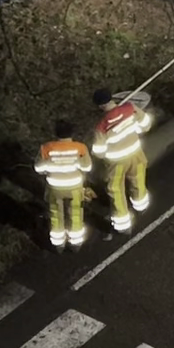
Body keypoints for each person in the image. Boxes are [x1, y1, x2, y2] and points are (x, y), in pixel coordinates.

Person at [90, 87, 153, 233]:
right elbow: (146, 125)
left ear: (100, 106)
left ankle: (123, 224)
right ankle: (141, 206)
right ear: (111, 98)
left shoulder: (101, 126)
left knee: (116, 190)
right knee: (138, 180)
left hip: (116, 162)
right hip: (136, 153)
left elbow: (99, 152)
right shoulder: (131, 108)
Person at [34, 120, 93, 249]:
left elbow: (38, 168)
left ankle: (58, 243)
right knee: (76, 212)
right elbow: (87, 167)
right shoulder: (80, 147)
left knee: (55, 213)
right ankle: (75, 243)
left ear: (56, 133)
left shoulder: (46, 148)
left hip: (55, 188)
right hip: (75, 187)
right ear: (72, 133)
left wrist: (50, 166)